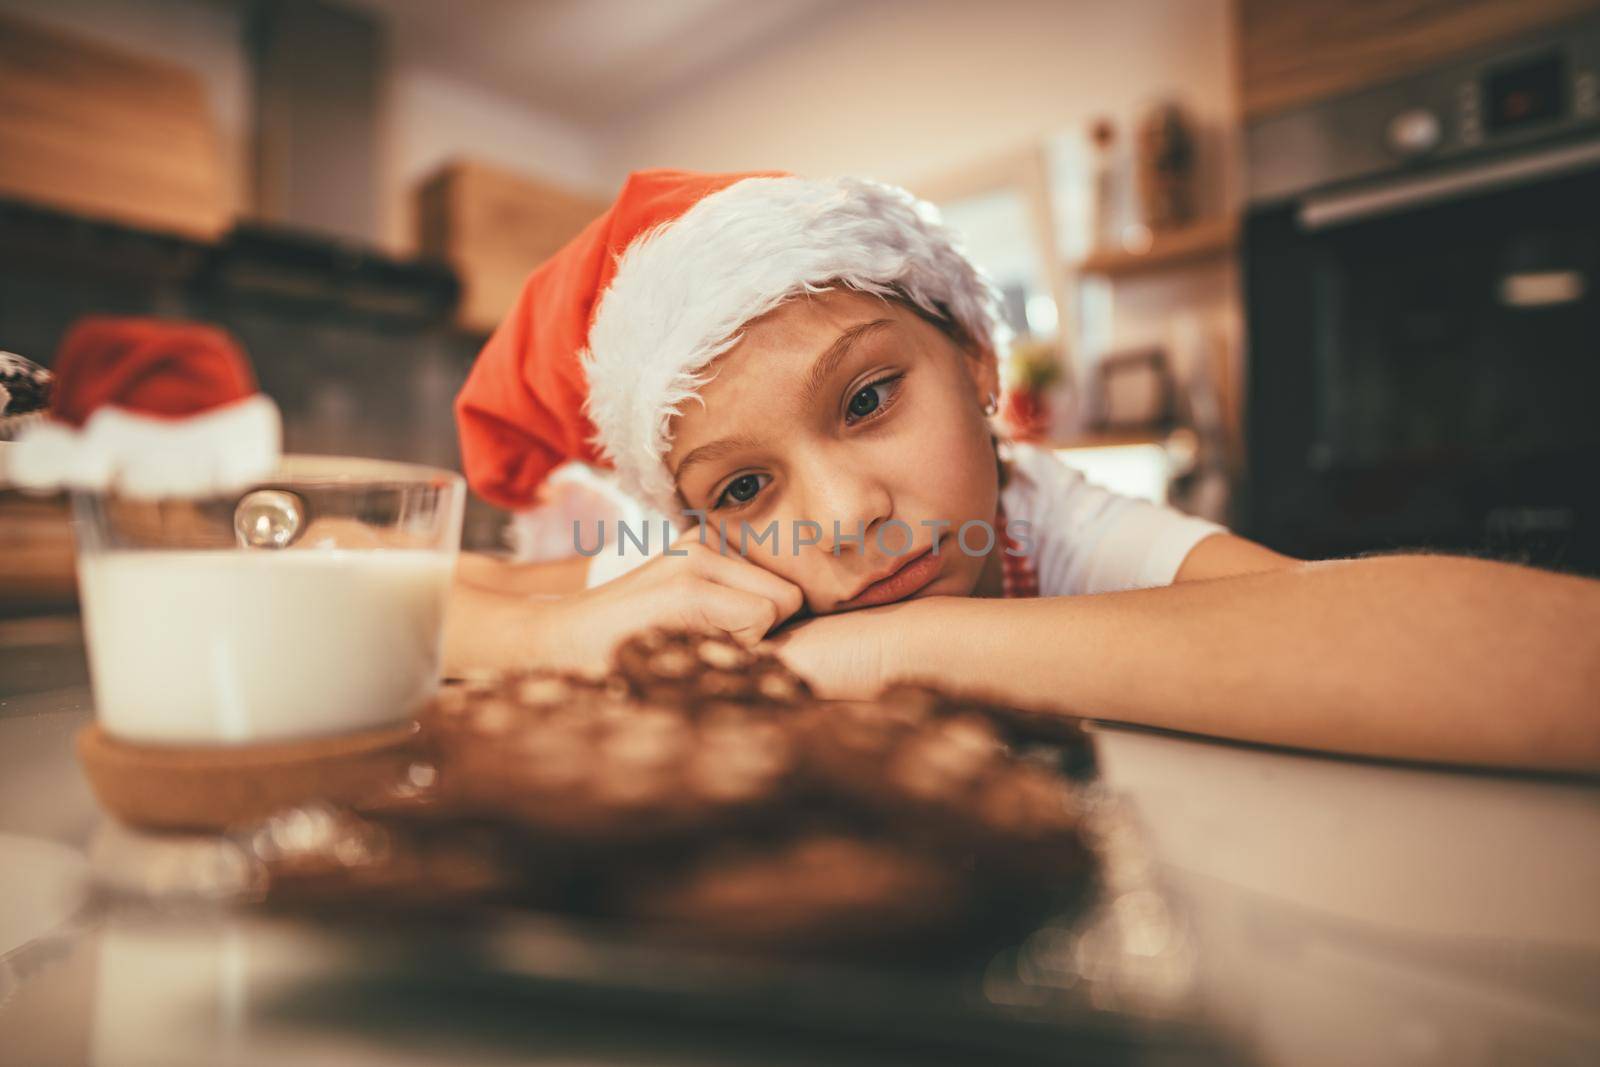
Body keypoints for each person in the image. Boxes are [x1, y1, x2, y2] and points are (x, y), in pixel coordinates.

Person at [447, 169, 1600, 774]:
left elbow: (1533, 662)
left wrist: (889, 643)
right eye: (742, 486)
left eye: (866, 398)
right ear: (693, 519)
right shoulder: (702, 574)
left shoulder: (1049, 523)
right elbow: (417, 596)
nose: (844, 515)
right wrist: (552, 638)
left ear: (981, 365)